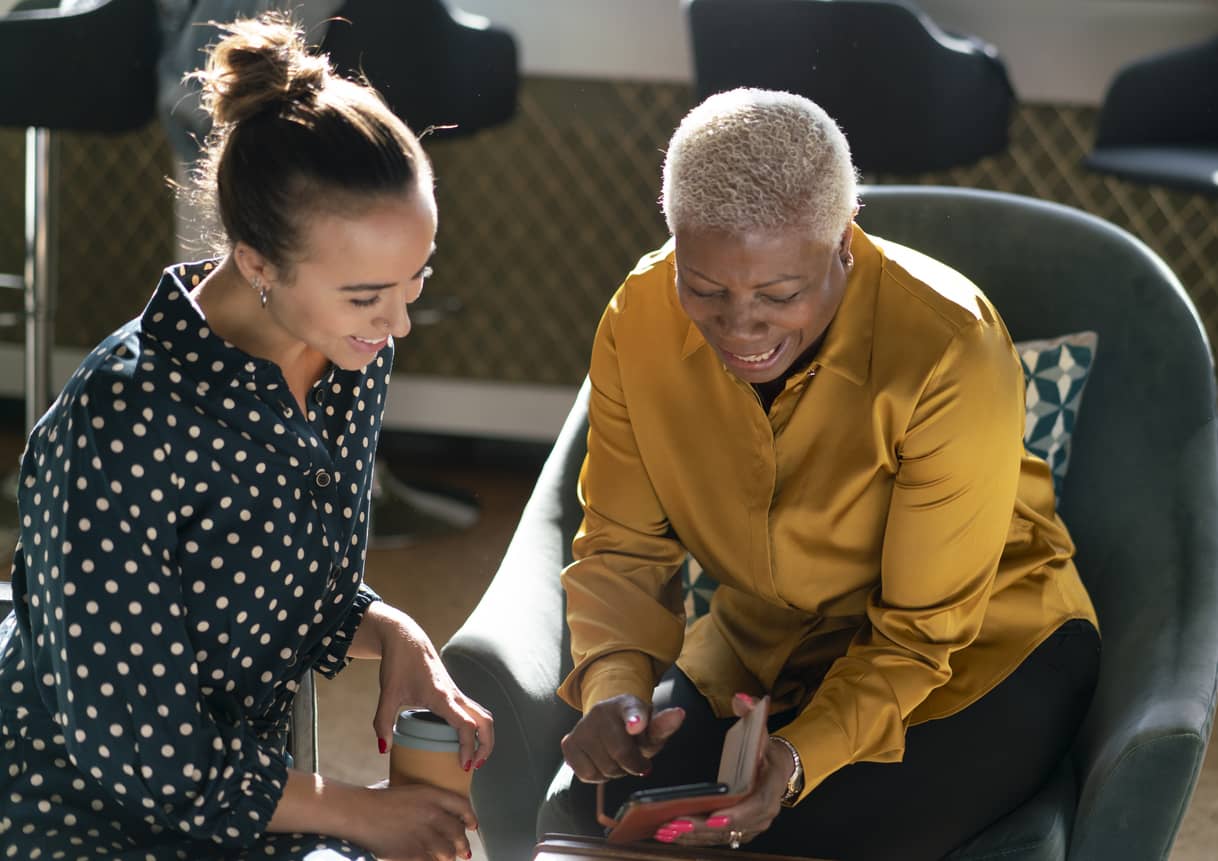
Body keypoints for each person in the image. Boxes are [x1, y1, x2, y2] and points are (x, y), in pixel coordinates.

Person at [546, 88, 1100, 860]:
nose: (741, 327)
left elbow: (918, 637)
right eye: (705, 289)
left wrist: (798, 760)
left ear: (845, 241)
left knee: (797, 837)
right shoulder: (636, 316)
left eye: (780, 294)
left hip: (976, 651)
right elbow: (621, 545)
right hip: (765, 643)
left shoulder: (950, 346)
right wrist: (616, 688)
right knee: (597, 820)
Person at [0, 15, 493, 861]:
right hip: (79, 818)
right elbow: (143, 759)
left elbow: (303, 586)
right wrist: (358, 811)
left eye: (418, 279)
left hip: (246, 805)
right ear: (257, 262)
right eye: (368, 295)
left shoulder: (344, 354)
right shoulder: (121, 428)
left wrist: (397, 635)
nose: (399, 322)